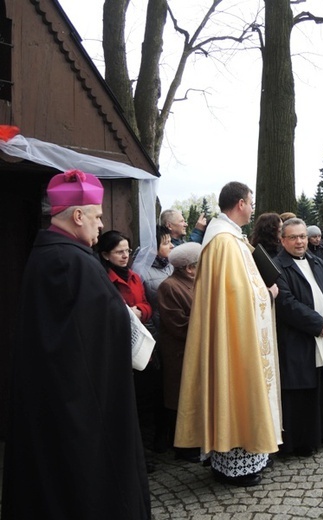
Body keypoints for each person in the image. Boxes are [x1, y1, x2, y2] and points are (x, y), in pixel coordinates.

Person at [2, 169, 150, 519]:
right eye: (97, 217)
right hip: (80, 402)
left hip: (59, 394)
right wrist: (122, 317)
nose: (101, 226)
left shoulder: (51, 254)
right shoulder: (71, 261)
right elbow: (92, 333)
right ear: (78, 215)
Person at [175, 181, 281, 488]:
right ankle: (235, 466)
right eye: (250, 201)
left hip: (237, 329)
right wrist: (268, 291)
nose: (252, 206)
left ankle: (245, 458)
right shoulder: (223, 242)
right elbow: (236, 292)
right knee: (235, 389)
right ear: (239, 203)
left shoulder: (231, 238)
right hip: (233, 335)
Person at [274, 218, 323, 457]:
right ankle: (303, 441)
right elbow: (286, 304)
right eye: (293, 237)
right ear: (283, 240)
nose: (300, 242)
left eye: (303, 236)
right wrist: (318, 324)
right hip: (300, 338)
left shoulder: (317, 260)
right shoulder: (277, 267)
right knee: (303, 387)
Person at [96, 230, 165, 463]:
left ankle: (149, 447)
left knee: (148, 398)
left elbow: (146, 304)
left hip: (142, 343)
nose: (125, 256)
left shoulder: (134, 277)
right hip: (119, 346)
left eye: (127, 250)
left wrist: (139, 312)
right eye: (119, 252)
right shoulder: (103, 278)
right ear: (106, 255)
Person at [156, 242, 202, 462]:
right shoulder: (170, 286)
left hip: (197, 350)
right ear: (189, 268)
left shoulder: (198, 283)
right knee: (181, 399)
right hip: (180, 353)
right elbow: (178, 324)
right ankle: (183, 446)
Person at [139, 224, 175, 336]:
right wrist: (153, 334)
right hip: (158, 329)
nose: (172, 246)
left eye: (170, 241)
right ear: (152, 247)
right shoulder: (141, 272)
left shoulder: (173, 264)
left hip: (175, 325)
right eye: (166, 243)